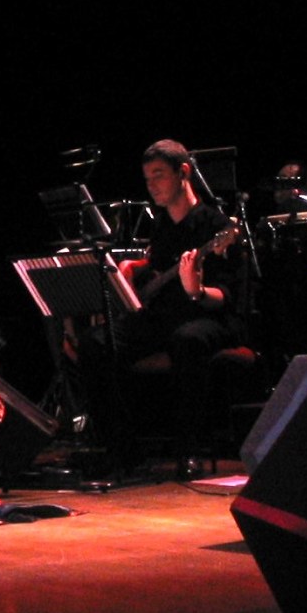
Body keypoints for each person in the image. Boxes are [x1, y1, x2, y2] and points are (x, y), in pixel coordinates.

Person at [100, 139, 246, 479]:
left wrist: (197, 291)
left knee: (188, 340)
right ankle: (122, 449)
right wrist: (134, 269)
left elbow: (227, 296)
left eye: (159, 175)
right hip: (165, 316)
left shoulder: (216, 227)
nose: (151, 185)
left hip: (208, 317)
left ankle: (189, 448)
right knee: (98, 341)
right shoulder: (162, 225)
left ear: (183, 172)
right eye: (147, 178)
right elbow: (154, 268)